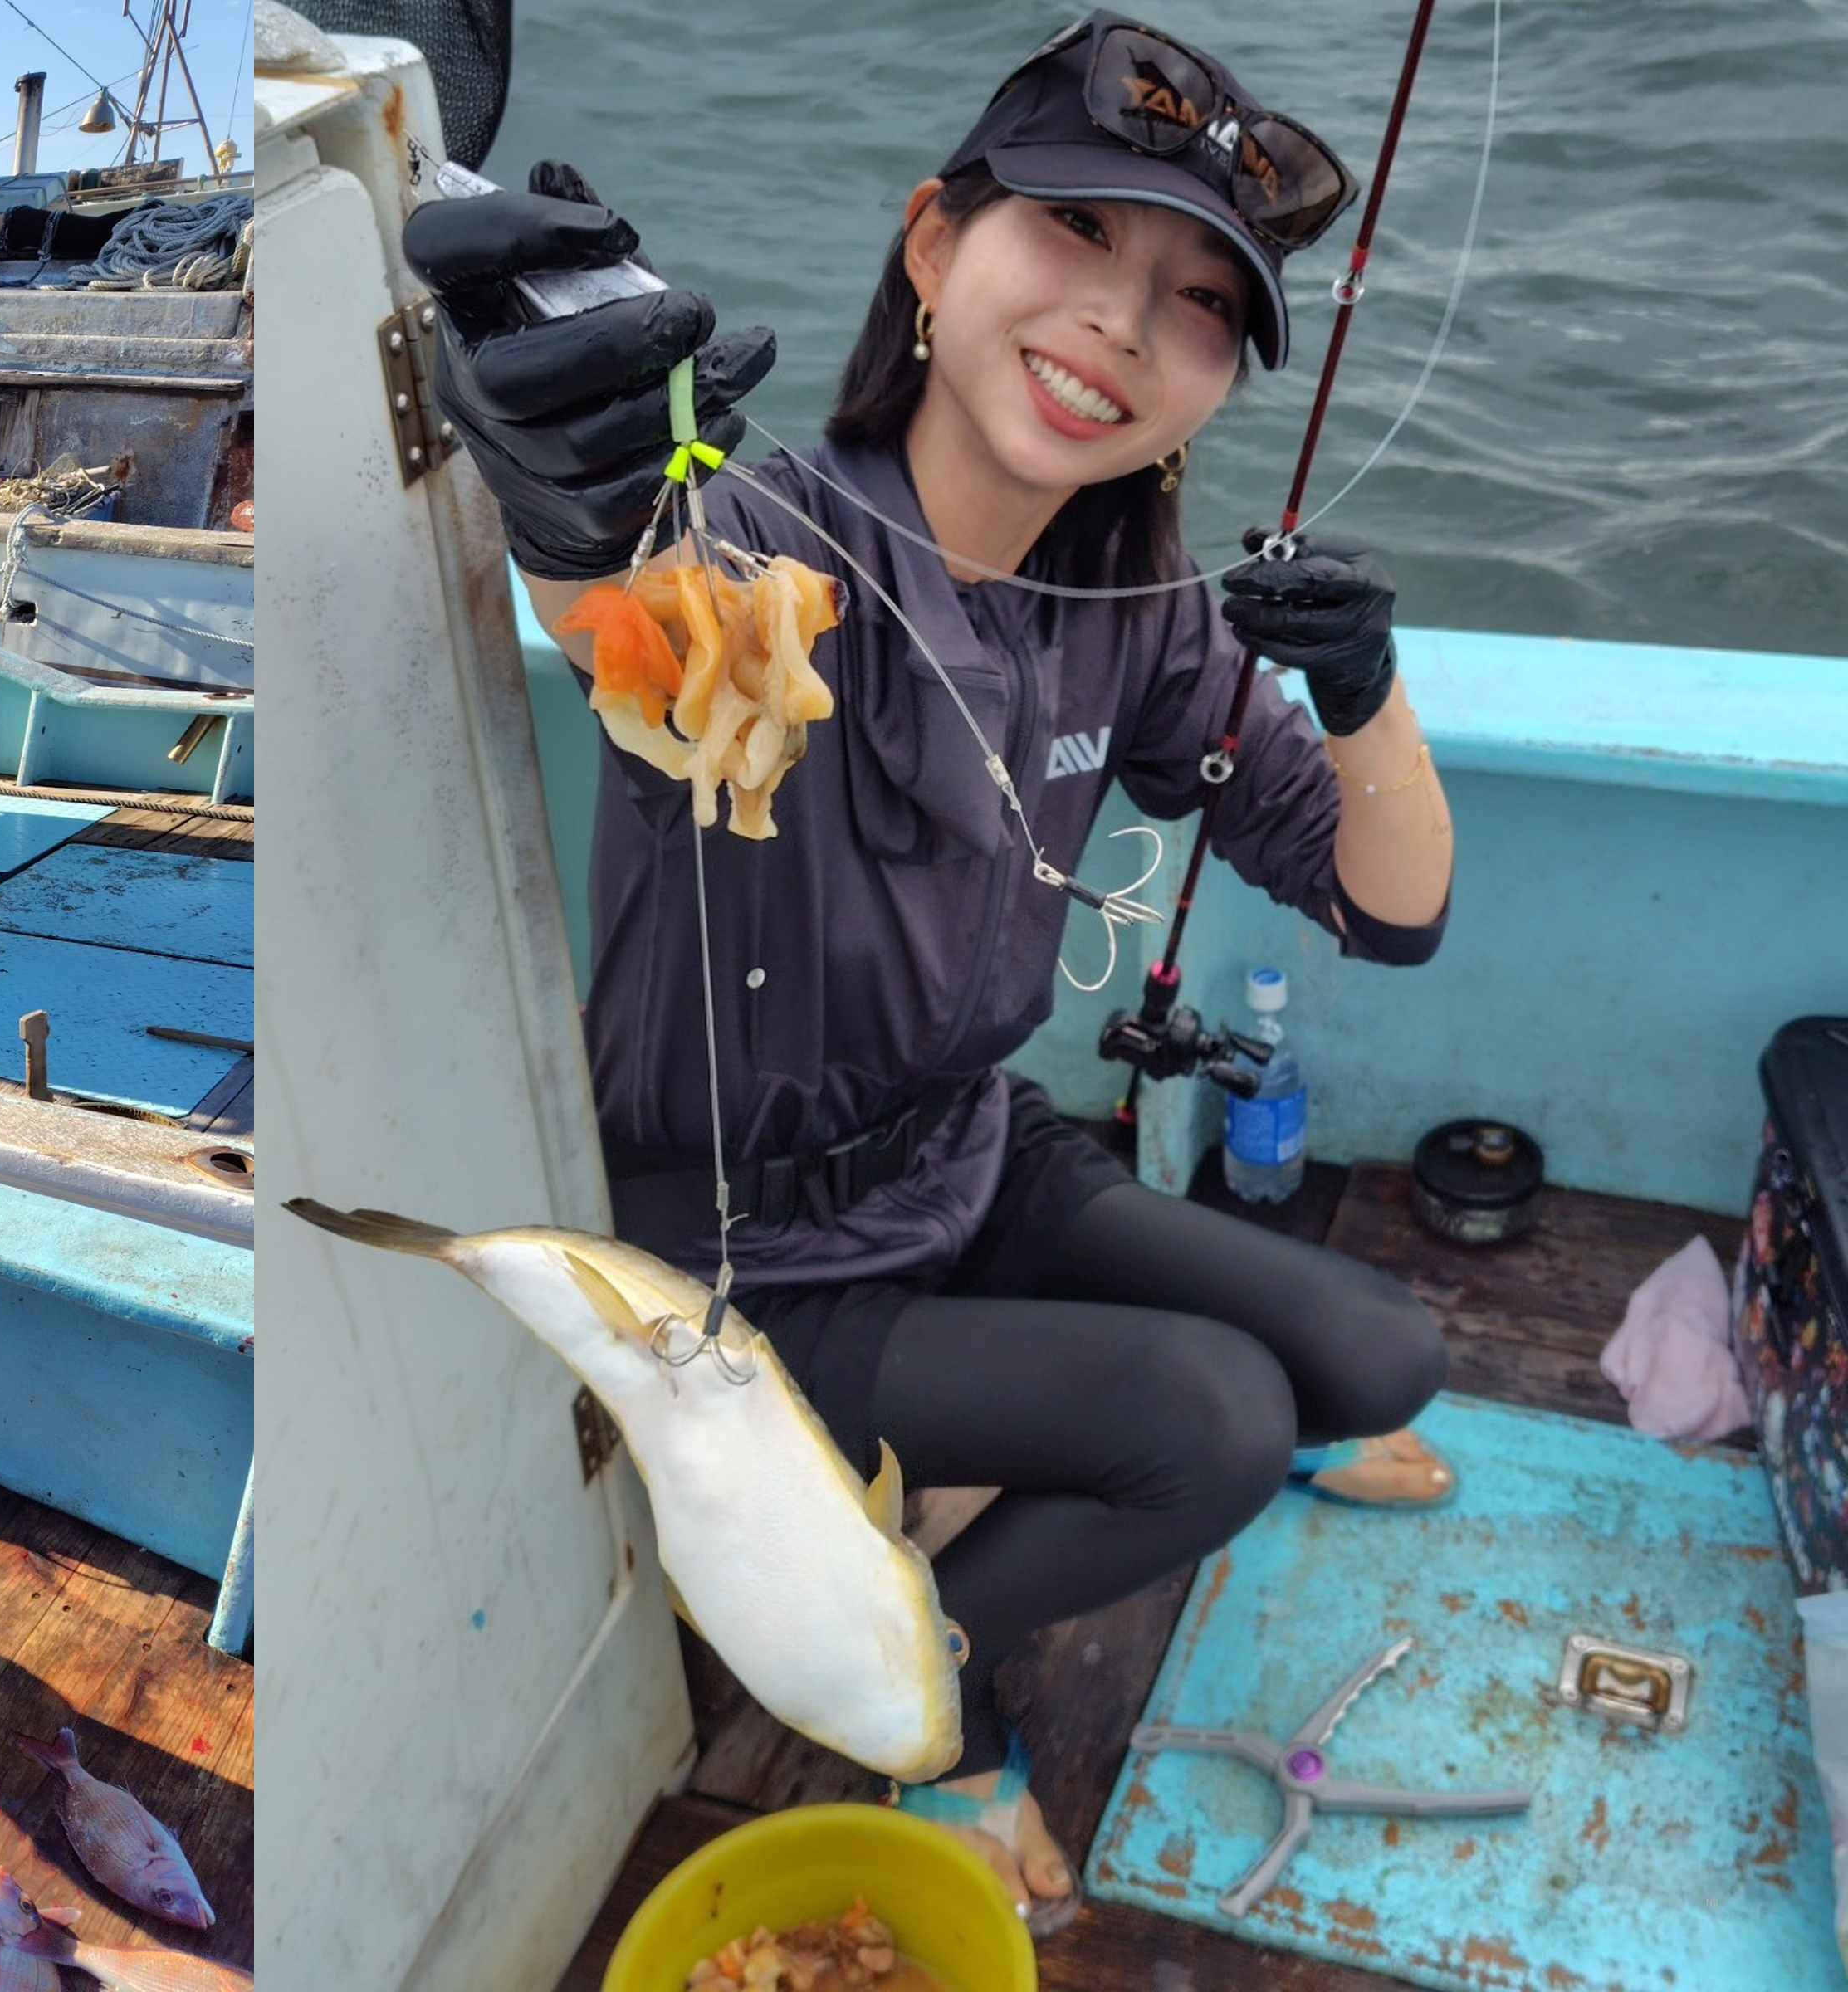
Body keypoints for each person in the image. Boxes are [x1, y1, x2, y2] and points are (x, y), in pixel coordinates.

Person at [407, 11, 1458, 1931]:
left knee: (1387, 1354)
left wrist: (1364, 691)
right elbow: (643, 626)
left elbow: (1392, 906)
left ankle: (915, 1545)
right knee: (1214, 1424)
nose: (1126, 327)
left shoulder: (1128, 611)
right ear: (929, 245)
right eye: (1074, 234)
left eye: (1201, 305)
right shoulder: (765, 537)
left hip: (970, 1161)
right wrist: (572, 510)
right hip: (752, 1252)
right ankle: (909, 1688)